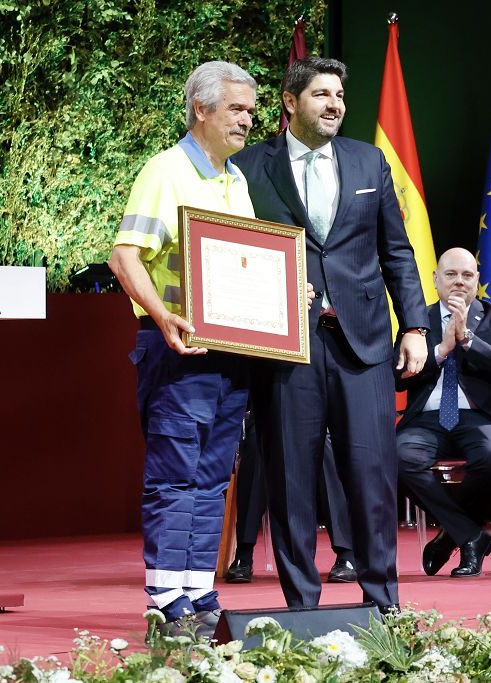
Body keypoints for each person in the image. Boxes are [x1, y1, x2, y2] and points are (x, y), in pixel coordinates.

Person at [232, 57, 428, 612]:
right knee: (291, 481)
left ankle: (383, 605)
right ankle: (301, 612)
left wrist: (414, 324)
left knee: (371, 478)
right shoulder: (248, 168)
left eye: (339, 94)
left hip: (364, 346)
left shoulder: (369, 162)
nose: (335, 104)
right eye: (321, 94)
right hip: (286, 346)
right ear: (290, 102)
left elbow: (397, 251)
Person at [109, 61, 270, 638]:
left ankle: (199, 592)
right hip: (177, 350)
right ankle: (164, 599)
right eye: (237, 109)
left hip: (229, 353)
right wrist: (162, 314)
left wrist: (284, 289)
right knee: (176, 476)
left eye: (251, 110)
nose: (249, 120)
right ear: (201, 110)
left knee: (211, 479)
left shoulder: (237, 179)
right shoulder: (165, 171)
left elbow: (247, 265)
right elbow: (124, 257)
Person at [395, 248, 491, 578]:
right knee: (398, 457)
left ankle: (450, 538)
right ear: (436, 279)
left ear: (477, 281)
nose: (459, 282)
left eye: (467, 275)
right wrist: (439, 351)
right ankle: (471, 536)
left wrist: (467, 340)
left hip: (480, 416)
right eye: (451, 275)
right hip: (427, 418)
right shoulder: (416, 322)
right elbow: (397, 376)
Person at [225, 421, 356, 585]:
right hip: (272, 417)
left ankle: (346, 553)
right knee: (257, 442)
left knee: (327, 445)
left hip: (317, 419)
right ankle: (243, 554)